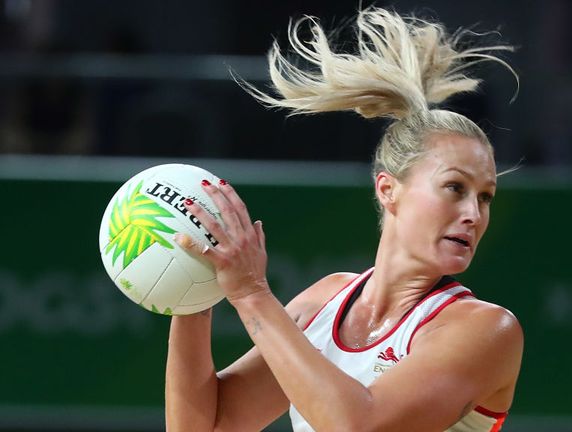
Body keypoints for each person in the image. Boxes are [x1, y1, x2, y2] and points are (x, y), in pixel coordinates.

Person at [167, 7, 523, 432]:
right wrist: (190, 289)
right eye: (455, 188)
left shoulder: (486, 329)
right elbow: (203, 427)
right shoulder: (324, 302)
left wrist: (250, 293)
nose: (473, 214)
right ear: (389, 190)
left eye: (485, 198)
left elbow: (359, 425)